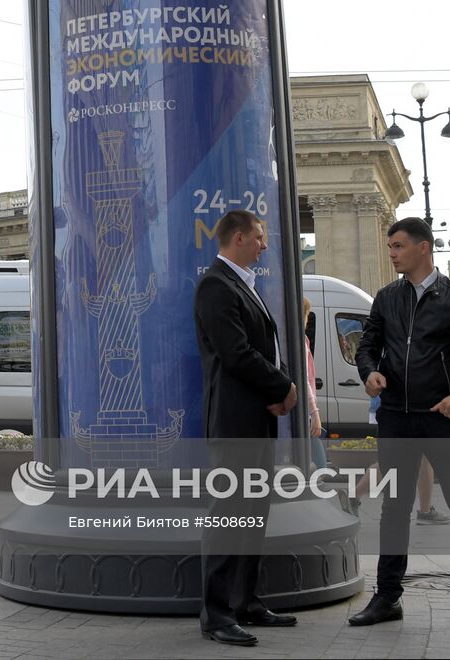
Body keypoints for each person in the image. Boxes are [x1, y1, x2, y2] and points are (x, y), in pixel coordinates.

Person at [349, 217, 450, 633]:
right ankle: (387, 597)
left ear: (423, 248)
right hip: (396, 417)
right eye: (390, 247)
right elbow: (366, 346)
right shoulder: (386, 297)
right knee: (394, 509)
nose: (392, 253)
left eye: (398, 246)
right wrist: (369, 373)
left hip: (443, 417)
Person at [193, 211, 298, 647]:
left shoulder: (242, 285)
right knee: (228, 514)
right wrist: (285, 386)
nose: (264, 244)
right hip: (235, 420)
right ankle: (216, 613)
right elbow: (236, 354)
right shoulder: (216, 285)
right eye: (259, 236)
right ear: (239, 237)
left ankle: (247, 602)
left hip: (256, 414)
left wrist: (283, 384)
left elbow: (267, 348)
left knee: (254, 511)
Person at [302, 298, 327, 471]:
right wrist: (314, 412)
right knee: (314, 440)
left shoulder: (302, 339)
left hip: (302, 406)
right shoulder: (299, 341)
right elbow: (304, 379)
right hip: (304, 407)